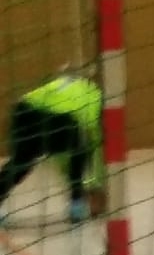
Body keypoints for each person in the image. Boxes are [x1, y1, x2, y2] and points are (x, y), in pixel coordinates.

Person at [0, 73, 105, 225]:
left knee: (21, 163)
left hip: (22, 111)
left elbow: (63, 158)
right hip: (51, 119)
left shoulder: (72, 82)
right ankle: (76, 204)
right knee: (81, 148)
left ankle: (77, 203)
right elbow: (93, 150)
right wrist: (93, 187)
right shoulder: (95, 99)